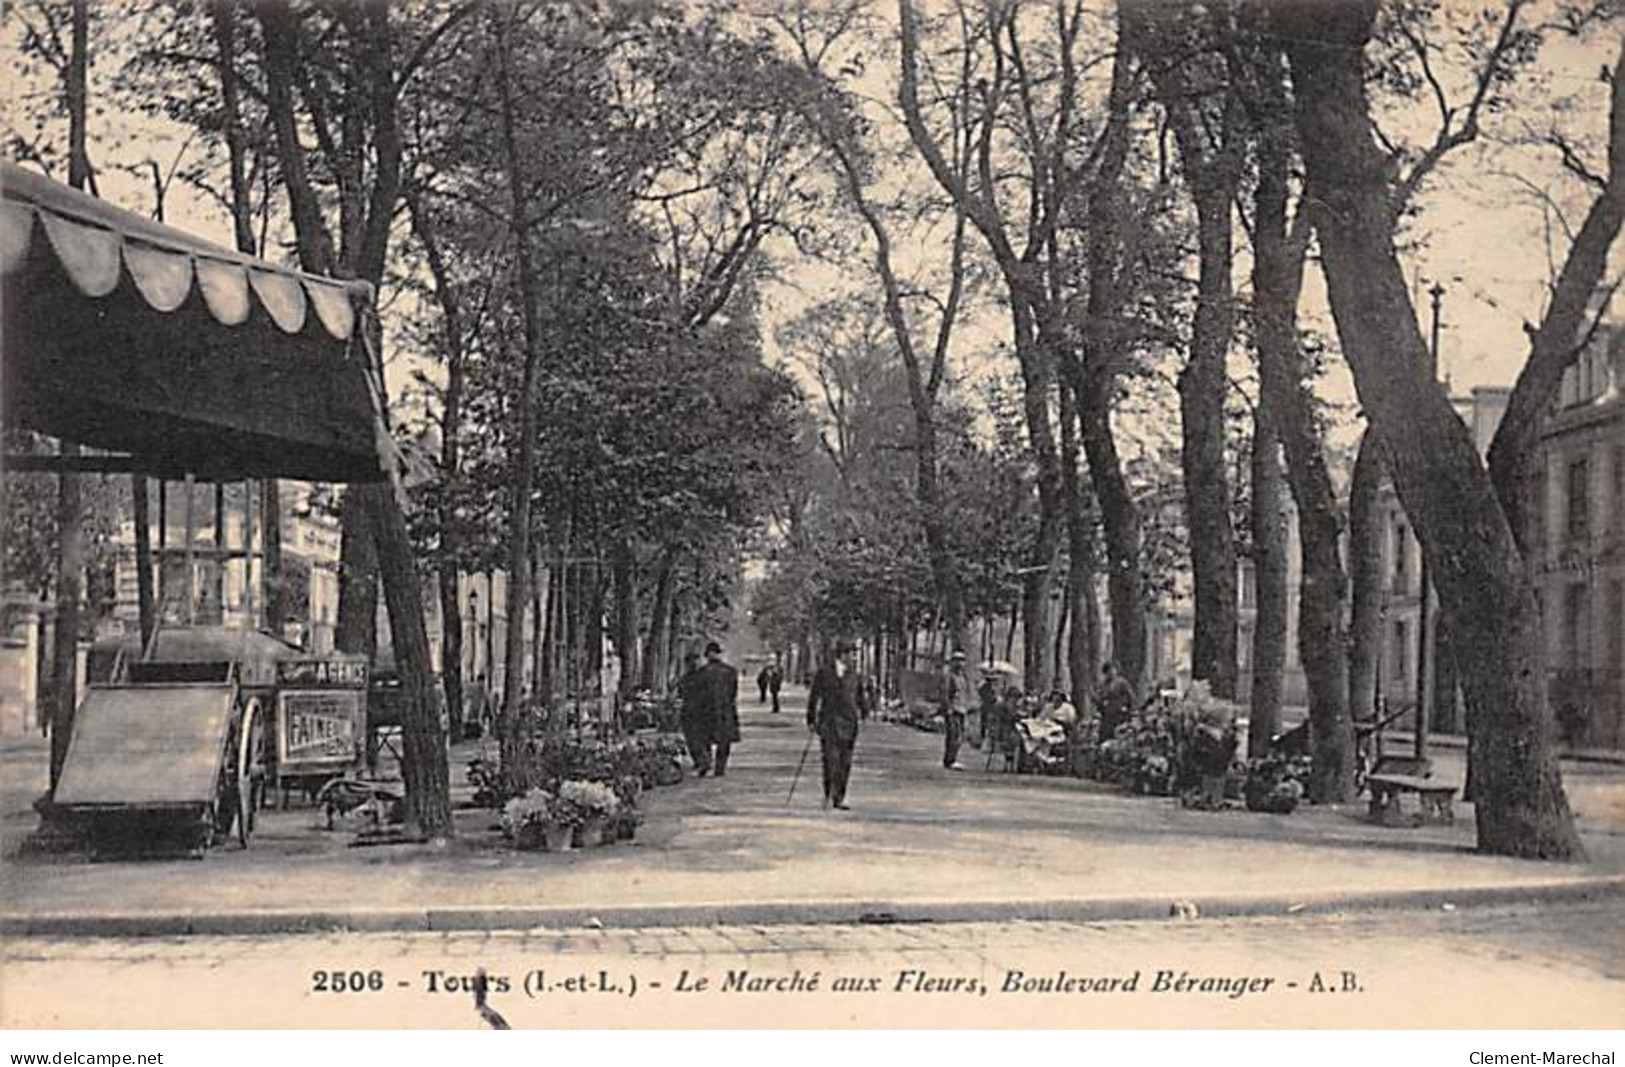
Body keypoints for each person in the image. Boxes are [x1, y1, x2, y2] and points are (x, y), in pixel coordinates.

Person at [807, 642, 867, 809]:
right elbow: (814, 697)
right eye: (851, 654)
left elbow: (860, 696)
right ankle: (828, 793)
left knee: (845, 763)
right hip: (829, 723)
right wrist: (811, 719)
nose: (853, 657)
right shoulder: (824, 673)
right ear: (842, 655)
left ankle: (839, 797)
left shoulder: (855, 675)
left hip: (849, 725)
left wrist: (865, 712)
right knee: (830, 760)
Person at [696, 640, 741, 777]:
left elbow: (698, 693)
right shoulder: (731, 672)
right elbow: (734, 693)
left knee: (704, 738)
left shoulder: (701, 673)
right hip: (725, 710)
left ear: (707, 655)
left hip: (706, 710)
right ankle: (720, 767)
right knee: (724, 740)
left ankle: (706, 760)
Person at [676, 652, 712, 775]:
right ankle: (703, 760)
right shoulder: (702, 677)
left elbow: (680, 693)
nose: (693, 664)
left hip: (695, 711)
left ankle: (702, 760)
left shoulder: (687, 678)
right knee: (697, 737)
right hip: (697, 711)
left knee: (695, 738)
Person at [942, 650, 970, 771]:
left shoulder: (963, 677)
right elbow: (945, 693)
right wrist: (948, 708)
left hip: (962, 709)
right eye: (957, 660)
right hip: (953, 709)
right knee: (953, 735)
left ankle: (953, 758)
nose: (960, 663)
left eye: (962, 660)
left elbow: (966, 693)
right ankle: (950, 760)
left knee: (959, 736)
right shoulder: (949, 676)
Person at [1098, 661, 1135, 744]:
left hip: (1120, 713)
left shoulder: (1122, 682)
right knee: (1105, 734)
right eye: (1108, 671)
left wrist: (1128, 708)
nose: (1111, 672)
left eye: (1113, 669)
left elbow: (1130, 696)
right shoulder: (1103, 685)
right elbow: (1101, 698)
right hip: (1107, 715)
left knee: (1120, 734)